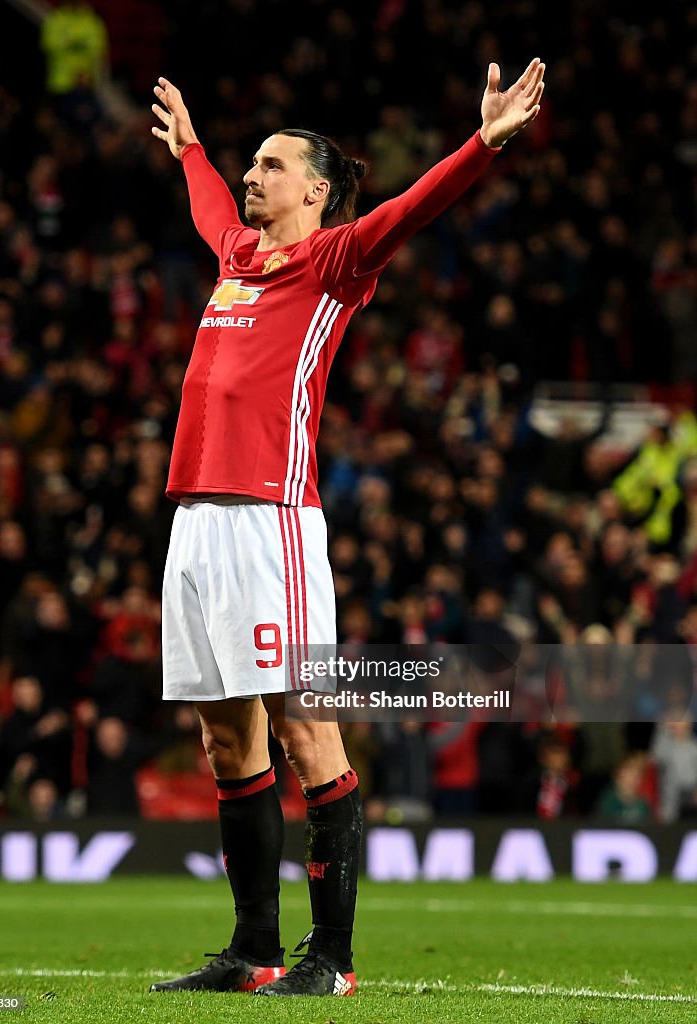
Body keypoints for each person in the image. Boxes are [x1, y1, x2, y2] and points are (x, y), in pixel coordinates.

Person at [148, 58, 545, 997]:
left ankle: (332, 960)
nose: (252, 177)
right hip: (194, 522)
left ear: (315, 191)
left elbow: (407, 210)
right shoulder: (237, 260)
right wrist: (193, 148)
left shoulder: (334, 262)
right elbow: (209, 207)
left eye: (270, 166)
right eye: (251, 164)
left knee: (304, 731)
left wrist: (481, 146)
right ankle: (254, 952)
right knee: (224, 744)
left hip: (269, 523)